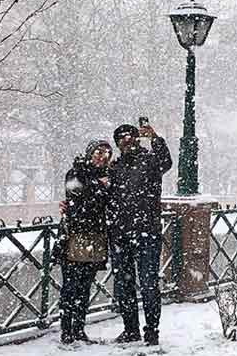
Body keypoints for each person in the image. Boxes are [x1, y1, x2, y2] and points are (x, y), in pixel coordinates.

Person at [108, 123, 172, 344]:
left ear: (137, 139)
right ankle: (130, 329)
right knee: (123, 285)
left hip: (147, 232)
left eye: (130, 137)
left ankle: (152, 331)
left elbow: (166, 161)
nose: (126, 141)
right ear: (117, 144)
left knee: (148, 284)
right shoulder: (114, 167)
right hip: (120, 234)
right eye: (121, 138)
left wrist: (155, 137)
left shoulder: (150, 160)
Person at [53, 140, 112, 344]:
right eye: (98, 152)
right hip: (75, 236)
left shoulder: (105, 176)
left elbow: (99, 202)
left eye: (106, 153)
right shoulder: (76, 172)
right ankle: (66, 330)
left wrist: (100, 188)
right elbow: (78, 200)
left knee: (85, 285)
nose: (102, 156)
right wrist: (100, 187)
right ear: (89, 153)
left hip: (95, 237)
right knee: (71, 285)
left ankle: (78, 329)